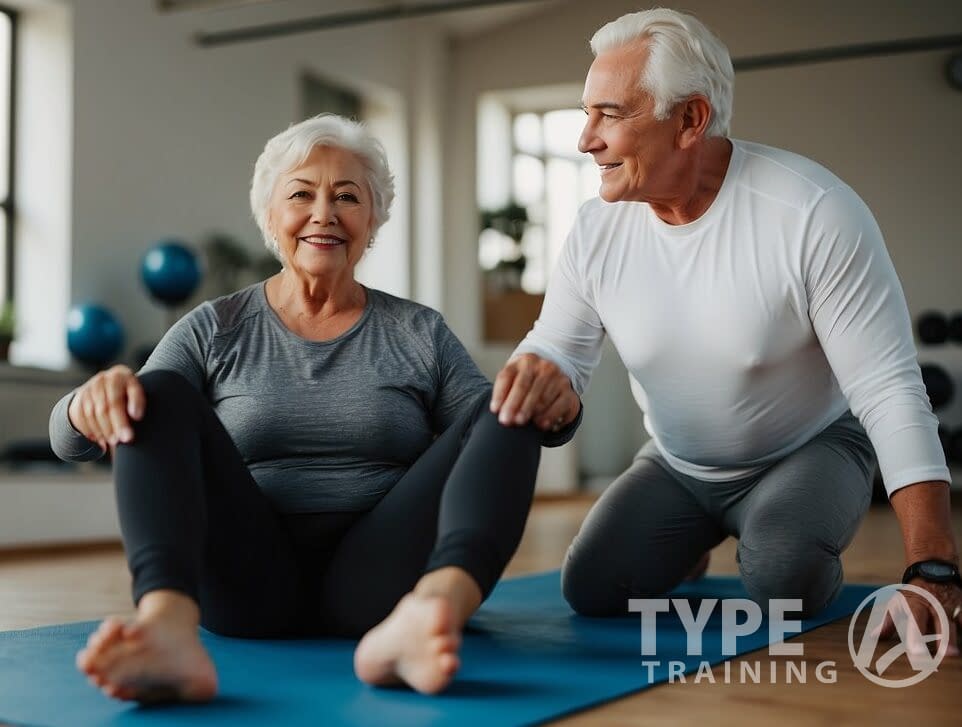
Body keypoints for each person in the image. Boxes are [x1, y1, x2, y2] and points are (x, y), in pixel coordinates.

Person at [49, 114, 570, 703]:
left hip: (383, 582)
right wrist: (84, 404)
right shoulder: (215, 327)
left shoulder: (419, 332)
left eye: (347, 197)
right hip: (246, 578)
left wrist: (557, 403)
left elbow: (498, 438)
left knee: (507, 398)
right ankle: (167, 627)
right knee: (155, 391)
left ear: (372, 222)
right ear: (271, 217)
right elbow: (72, 441)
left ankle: (431, 613)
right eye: (302, 194)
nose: (324, 213)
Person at [492, 8, 961, 652]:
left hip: (810, 446)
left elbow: (889, 388)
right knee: (594, 589)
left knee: (780, 581)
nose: (586, 139)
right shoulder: (598, 230)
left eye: (611, 114)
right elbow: (556, 355)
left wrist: (932, 568)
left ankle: (781, 538)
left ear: (690, 119)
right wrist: (545, 385)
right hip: (678, 463)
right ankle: (687, 542)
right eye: (585, 113)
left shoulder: (811, 212)